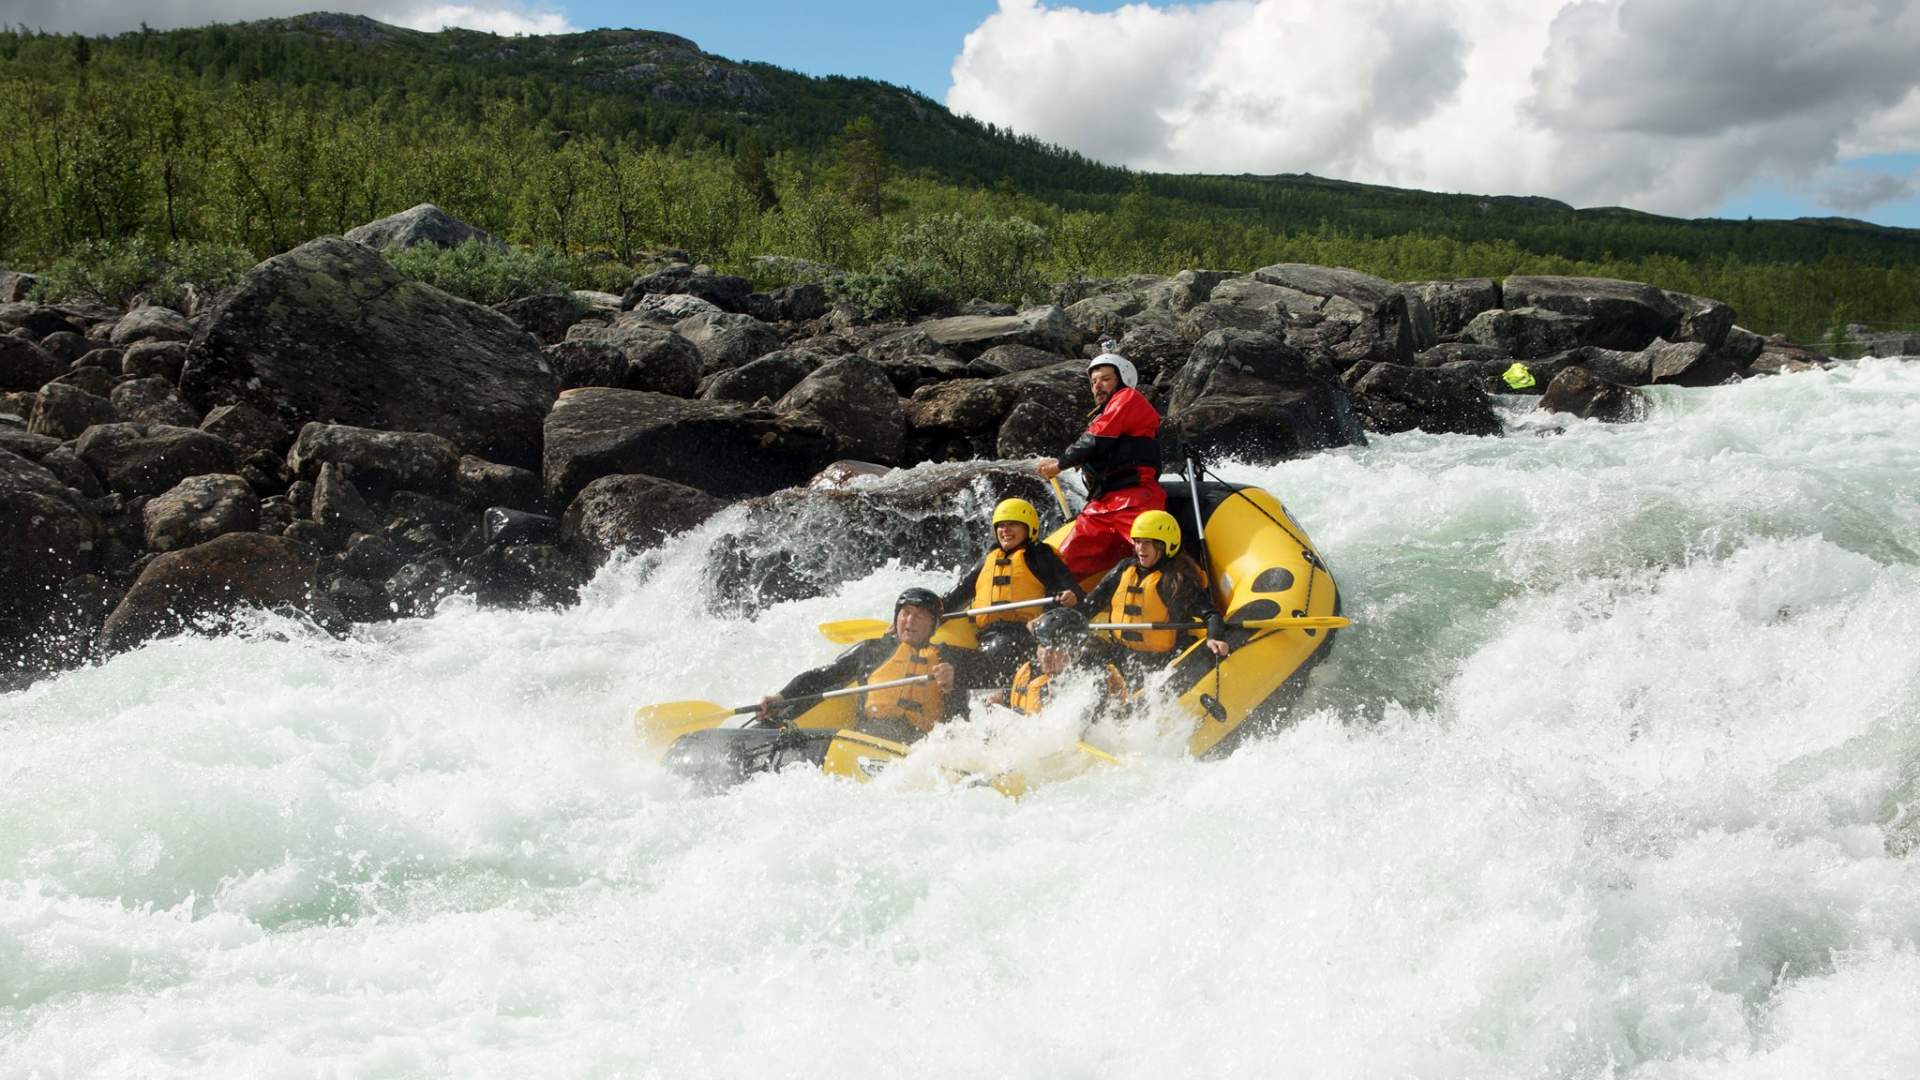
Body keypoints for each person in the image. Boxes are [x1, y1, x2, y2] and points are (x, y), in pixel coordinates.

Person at [758, 587, 983, 743]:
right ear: (896, 619)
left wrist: (955, 683)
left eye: (920, 616)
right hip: (868, 738)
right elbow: (825, 676)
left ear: (934, 625)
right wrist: (780, 697)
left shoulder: (951, 658)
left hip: (918, 751)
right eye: (905, 613)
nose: (910, 621)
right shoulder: (873, 650)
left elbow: (962, 720)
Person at [1034, 342, 1167, 580]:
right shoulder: (1106, 413)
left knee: (1154, 556)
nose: (1098, 386)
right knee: (1065, 565)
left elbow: (1095, 440)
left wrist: (1059, 464)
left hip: (1136, 498)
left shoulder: (1128, 397)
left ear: (1122, 379)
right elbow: (1098, 447)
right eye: (1094, 381)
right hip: (1102, 504)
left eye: (1105, 379)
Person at [943, 497, 1083, 684]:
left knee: (1000, 648)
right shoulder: (988, 559)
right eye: (1001, 525)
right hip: (988, 635)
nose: (1005, 530)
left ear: (1029, 528)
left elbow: (1074, 592)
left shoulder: (1040, 556)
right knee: (947, 656)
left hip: (1025, 635)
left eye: (1013, 525)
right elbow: (957, 595)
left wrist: (1068, 598)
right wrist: (923, 610)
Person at [1083, 509, 1230, 672]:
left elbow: (1211, 614)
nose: (1140, 548)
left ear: (1165, 545)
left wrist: (1214, 637)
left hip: (1161, 662)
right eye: (1137, 541)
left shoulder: (1175, 579)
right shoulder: (1124, 569)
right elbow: (1090, 604)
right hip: (1122, 654)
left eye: (1147, 542)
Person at [997, 606, 1130, 716]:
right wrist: (1004, 696)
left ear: (1074, 652)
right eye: (1043, 645)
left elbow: (1086, 724)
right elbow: (1026, 692)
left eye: (1055, 649)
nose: (1046, 655)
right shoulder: (1035, 667)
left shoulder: (1093, 680)